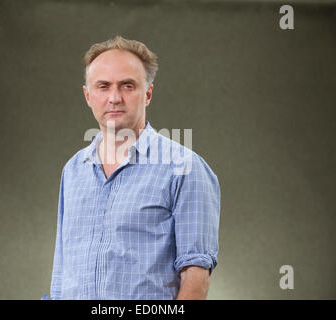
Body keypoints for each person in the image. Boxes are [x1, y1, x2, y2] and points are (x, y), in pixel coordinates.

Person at [43, 36, 220, 300]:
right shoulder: (73, 170)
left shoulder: (184, 168)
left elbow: (195, 278)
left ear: (147, 94)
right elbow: (61, 272)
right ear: (88, 95)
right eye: (103, 86)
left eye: (127, 86)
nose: (114, 98)